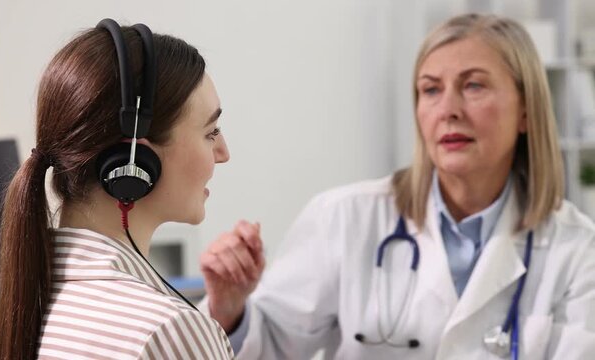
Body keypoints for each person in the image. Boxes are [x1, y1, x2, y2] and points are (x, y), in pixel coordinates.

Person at [200, 13, 595, 359]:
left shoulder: (576, 249)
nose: (449, 110)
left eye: (474, 86)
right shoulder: (346, 218)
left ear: (526, 110)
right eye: (431, 89)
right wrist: (230, 310)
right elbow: (266, 347)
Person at [0, 19, 234, 359]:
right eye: (210, 133)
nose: (223, 154)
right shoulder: (170, 331)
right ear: (135, 160)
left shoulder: (34, 297)